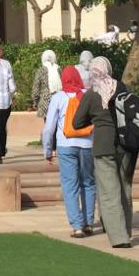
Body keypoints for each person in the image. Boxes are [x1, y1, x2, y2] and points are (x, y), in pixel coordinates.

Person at [75, 55, 136, 248]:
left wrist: (95, 118)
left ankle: (119, 238)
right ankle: (126, 231)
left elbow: (77, 122)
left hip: (103, 146)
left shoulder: (92, 94)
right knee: (124, 190)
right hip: (126, 145)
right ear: (108, 69)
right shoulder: (123, 88)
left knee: (109, 193)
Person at [42, 65, 98, 238]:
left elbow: (49, 127)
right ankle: (88, 222)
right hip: (88, 144)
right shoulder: (88, 95)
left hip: (66, 144)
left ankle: (77, 226)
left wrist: (47, 150)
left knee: (70, 185)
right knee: (88, 183)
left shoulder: (58, 97)